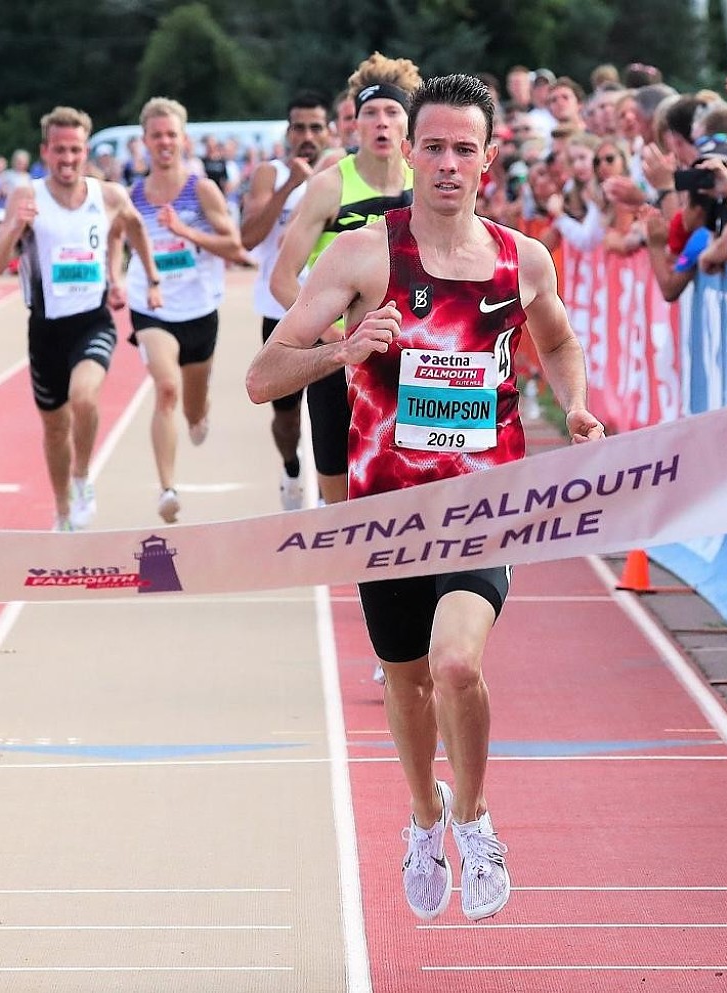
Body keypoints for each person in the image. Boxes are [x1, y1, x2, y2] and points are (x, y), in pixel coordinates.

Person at [246, 73, 603, 923]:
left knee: (456, 664)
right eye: (433, 147)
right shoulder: (363, 254)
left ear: (489, 157)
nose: (447, 163)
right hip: (387, 513)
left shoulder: (523, 259)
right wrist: (341, 353)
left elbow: (558, 340)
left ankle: (473, 818)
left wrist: (576, 403)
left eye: (463, 149)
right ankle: (422, 815)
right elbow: (263, 377)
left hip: (484, 505)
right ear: (409, 152)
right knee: (406, 686)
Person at [0, 106, 163, 531]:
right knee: (54, 427)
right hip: (45, 329)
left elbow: (136, 228)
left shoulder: (108, 196)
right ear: (45, 151)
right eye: (60, 150)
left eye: (75, 150)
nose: (67, 159)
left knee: (84, 397)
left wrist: (148, 279)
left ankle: (83, 477)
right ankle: (63, 509)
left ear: (86, 151)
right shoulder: (26, 197)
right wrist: (15, 229)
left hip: (92, 321)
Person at [270, 51, 421, 507]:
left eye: (392, 112)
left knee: (408, 483)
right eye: (370, 113)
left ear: (408, 122)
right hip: (339, 355)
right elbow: (282, 279)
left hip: (410, 353)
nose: (381, 123)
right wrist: (339, 338)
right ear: (354, 124)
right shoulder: (329, 186)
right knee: (337, 494)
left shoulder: (426, 183)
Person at [123, 97, 243, 524]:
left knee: (192, 406)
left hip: (199, 308)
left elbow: (235, 247)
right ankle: (167, 489)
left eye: (171, 134)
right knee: (166, 388)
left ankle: (199, 410)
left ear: (183, 139)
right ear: (144, 142)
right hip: (151, 305)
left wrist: (185, 231)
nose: (164, 142)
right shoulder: (133, 197)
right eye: (156, 135)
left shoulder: (202, 190)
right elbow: (119, 244)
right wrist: (115, 282)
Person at [241, 91, 332, 511]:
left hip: (332, 315)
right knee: (287, 414)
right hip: (280, 311)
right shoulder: (270, 174)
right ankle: (292, 466)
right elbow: (248, 237)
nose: (307, 136)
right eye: (299, 128)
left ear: (329, 131)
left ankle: (331, 492)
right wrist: (290, 186)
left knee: (333, 410)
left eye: (316, 127)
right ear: (288, 132)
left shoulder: (340, 173)